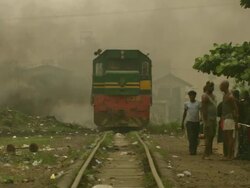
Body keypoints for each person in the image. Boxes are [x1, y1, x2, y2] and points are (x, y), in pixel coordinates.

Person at [220, 81, 239, 160]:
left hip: (229, 118)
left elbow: (235, 108)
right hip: (225, 118)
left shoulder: (230, 97)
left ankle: (229, 155)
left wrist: (236, 119)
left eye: (221, 85)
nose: (220, 87)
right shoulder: (225, 95)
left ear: (225, 86)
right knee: (226, 137)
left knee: (229, 137)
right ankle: (228, 154)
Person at [182, 90, 201, 155]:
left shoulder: (198, 103)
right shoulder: (186, 104)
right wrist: (182, 122)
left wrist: (201, 119)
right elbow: (184, 113)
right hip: (189, 122)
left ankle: (194, 150)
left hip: (196, 122)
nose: (192, 96)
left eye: (193, 95)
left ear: (195, 96)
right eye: (190, 95)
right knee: (190, 137)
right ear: (189, 96)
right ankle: (191, 150)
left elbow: (201, 112)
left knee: (195, 137)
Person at [201, 81, 217, 159]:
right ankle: (206, 154)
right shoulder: (205, 96)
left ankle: (209, 152)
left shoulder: (213, 96)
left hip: (214, 119)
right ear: (207, 87)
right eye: (210, 86)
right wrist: (205, 120)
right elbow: (203, 109)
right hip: (208, 119)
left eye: (213, 86)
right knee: (207, 136)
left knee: (212, 136)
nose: (212, 88)